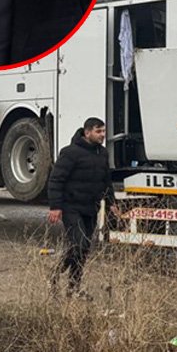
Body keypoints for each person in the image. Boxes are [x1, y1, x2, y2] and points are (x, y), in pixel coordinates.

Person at [46, 117, 116, 297]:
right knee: (78, 243)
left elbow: (106, 180)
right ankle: (54, 274)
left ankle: (74, 286)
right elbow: (56, 179)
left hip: (91, 208)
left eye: (103, 131)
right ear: (87, 132)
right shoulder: (70, 153)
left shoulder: (102, 153)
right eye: (98, 131)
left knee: (83, 249)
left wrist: (111, 202)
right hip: (71, 207)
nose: (102, 135)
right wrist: (55, 206)